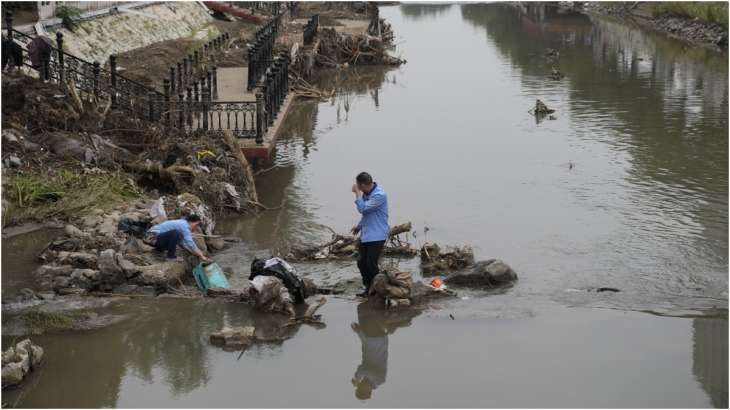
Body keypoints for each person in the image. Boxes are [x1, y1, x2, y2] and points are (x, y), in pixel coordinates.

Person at [351, 172, 389, 297]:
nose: (358, 188)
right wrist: (359, 226)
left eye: (359, 186)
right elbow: (367, 214)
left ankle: (377, 289)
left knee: (371, 264)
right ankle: (368, 288)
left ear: (362, 185)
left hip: (377, 235)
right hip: (367, 235)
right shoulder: (367, 194)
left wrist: (357, 194)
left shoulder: (379, 195)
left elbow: (363, 209)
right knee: (361, 263)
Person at [143, 214, 209, 261]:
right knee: (175, 233)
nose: (196, 227)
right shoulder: (184, 225)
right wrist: (201, 255)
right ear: (192, 222)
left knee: (178, 236)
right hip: (151, 237)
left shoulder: (182, 223)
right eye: (197, 225)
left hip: (156, 238)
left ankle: (158, 251)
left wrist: (197, 254)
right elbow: (190, 243)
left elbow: (183, 243)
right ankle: (170, 257)